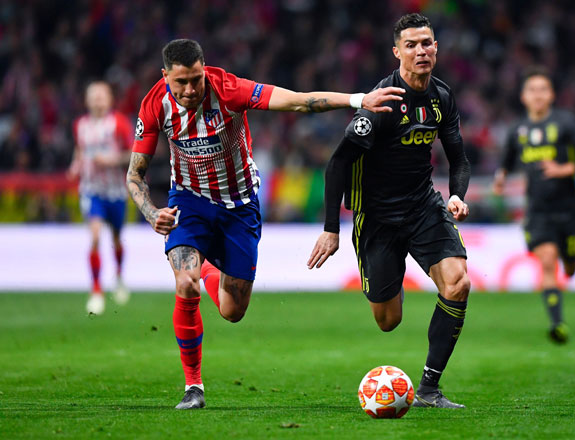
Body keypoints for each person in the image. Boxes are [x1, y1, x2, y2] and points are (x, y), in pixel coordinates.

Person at [127, 38, 404, 410]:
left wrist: (358, 100)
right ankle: (194, 386)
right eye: (181, 83)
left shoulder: (228, 90)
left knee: (232, 311)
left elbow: (300, 101)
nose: (191, 89)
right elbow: (134, 176)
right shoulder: (154, 105)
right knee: (185, 284)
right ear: (166, 77)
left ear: (204, 69)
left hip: (240, 205)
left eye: (196, 79)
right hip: (188, 202)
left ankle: (206, 267)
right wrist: (151, 213)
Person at [307, 13, 471, 409]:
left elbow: (459, 159)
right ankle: (390, 274)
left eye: (427, 43)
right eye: (412, 45)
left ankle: (429, 389)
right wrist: (331, 228)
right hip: (376, 218)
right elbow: (338, 163)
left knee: (458, 283)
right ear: (396, 52)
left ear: (436, 48)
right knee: (388, 321)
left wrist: (457, 195)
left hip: (423, 206)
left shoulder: (442, 98)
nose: (421, 51)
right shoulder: (381, 103)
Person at [492, 66, 575, 343]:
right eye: (532, 90)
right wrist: (501, 176)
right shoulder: (518, 129)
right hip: (538, 211)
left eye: (543, 89)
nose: (538, 95)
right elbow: (506, 158)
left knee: (570, 267)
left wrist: (565, 169)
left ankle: (571, 260)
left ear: (551, 95)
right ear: (523, 96)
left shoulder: (567, 122)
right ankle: (557, 324)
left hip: (570, 209)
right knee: (548, 262)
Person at [68, 81, 133, 315]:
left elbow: (132, 154)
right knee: (95, 236)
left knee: (116, 237)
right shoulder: (80, 125)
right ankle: (96, 290)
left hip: (115, 191)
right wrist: (75, 165)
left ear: (109, 99)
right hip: (91, 189)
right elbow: (79, 150)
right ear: (87, 101)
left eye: (101, 96)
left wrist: (111, 159)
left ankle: (118, 276)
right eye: (93, 96)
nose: (97, 100)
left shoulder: (119, 123)